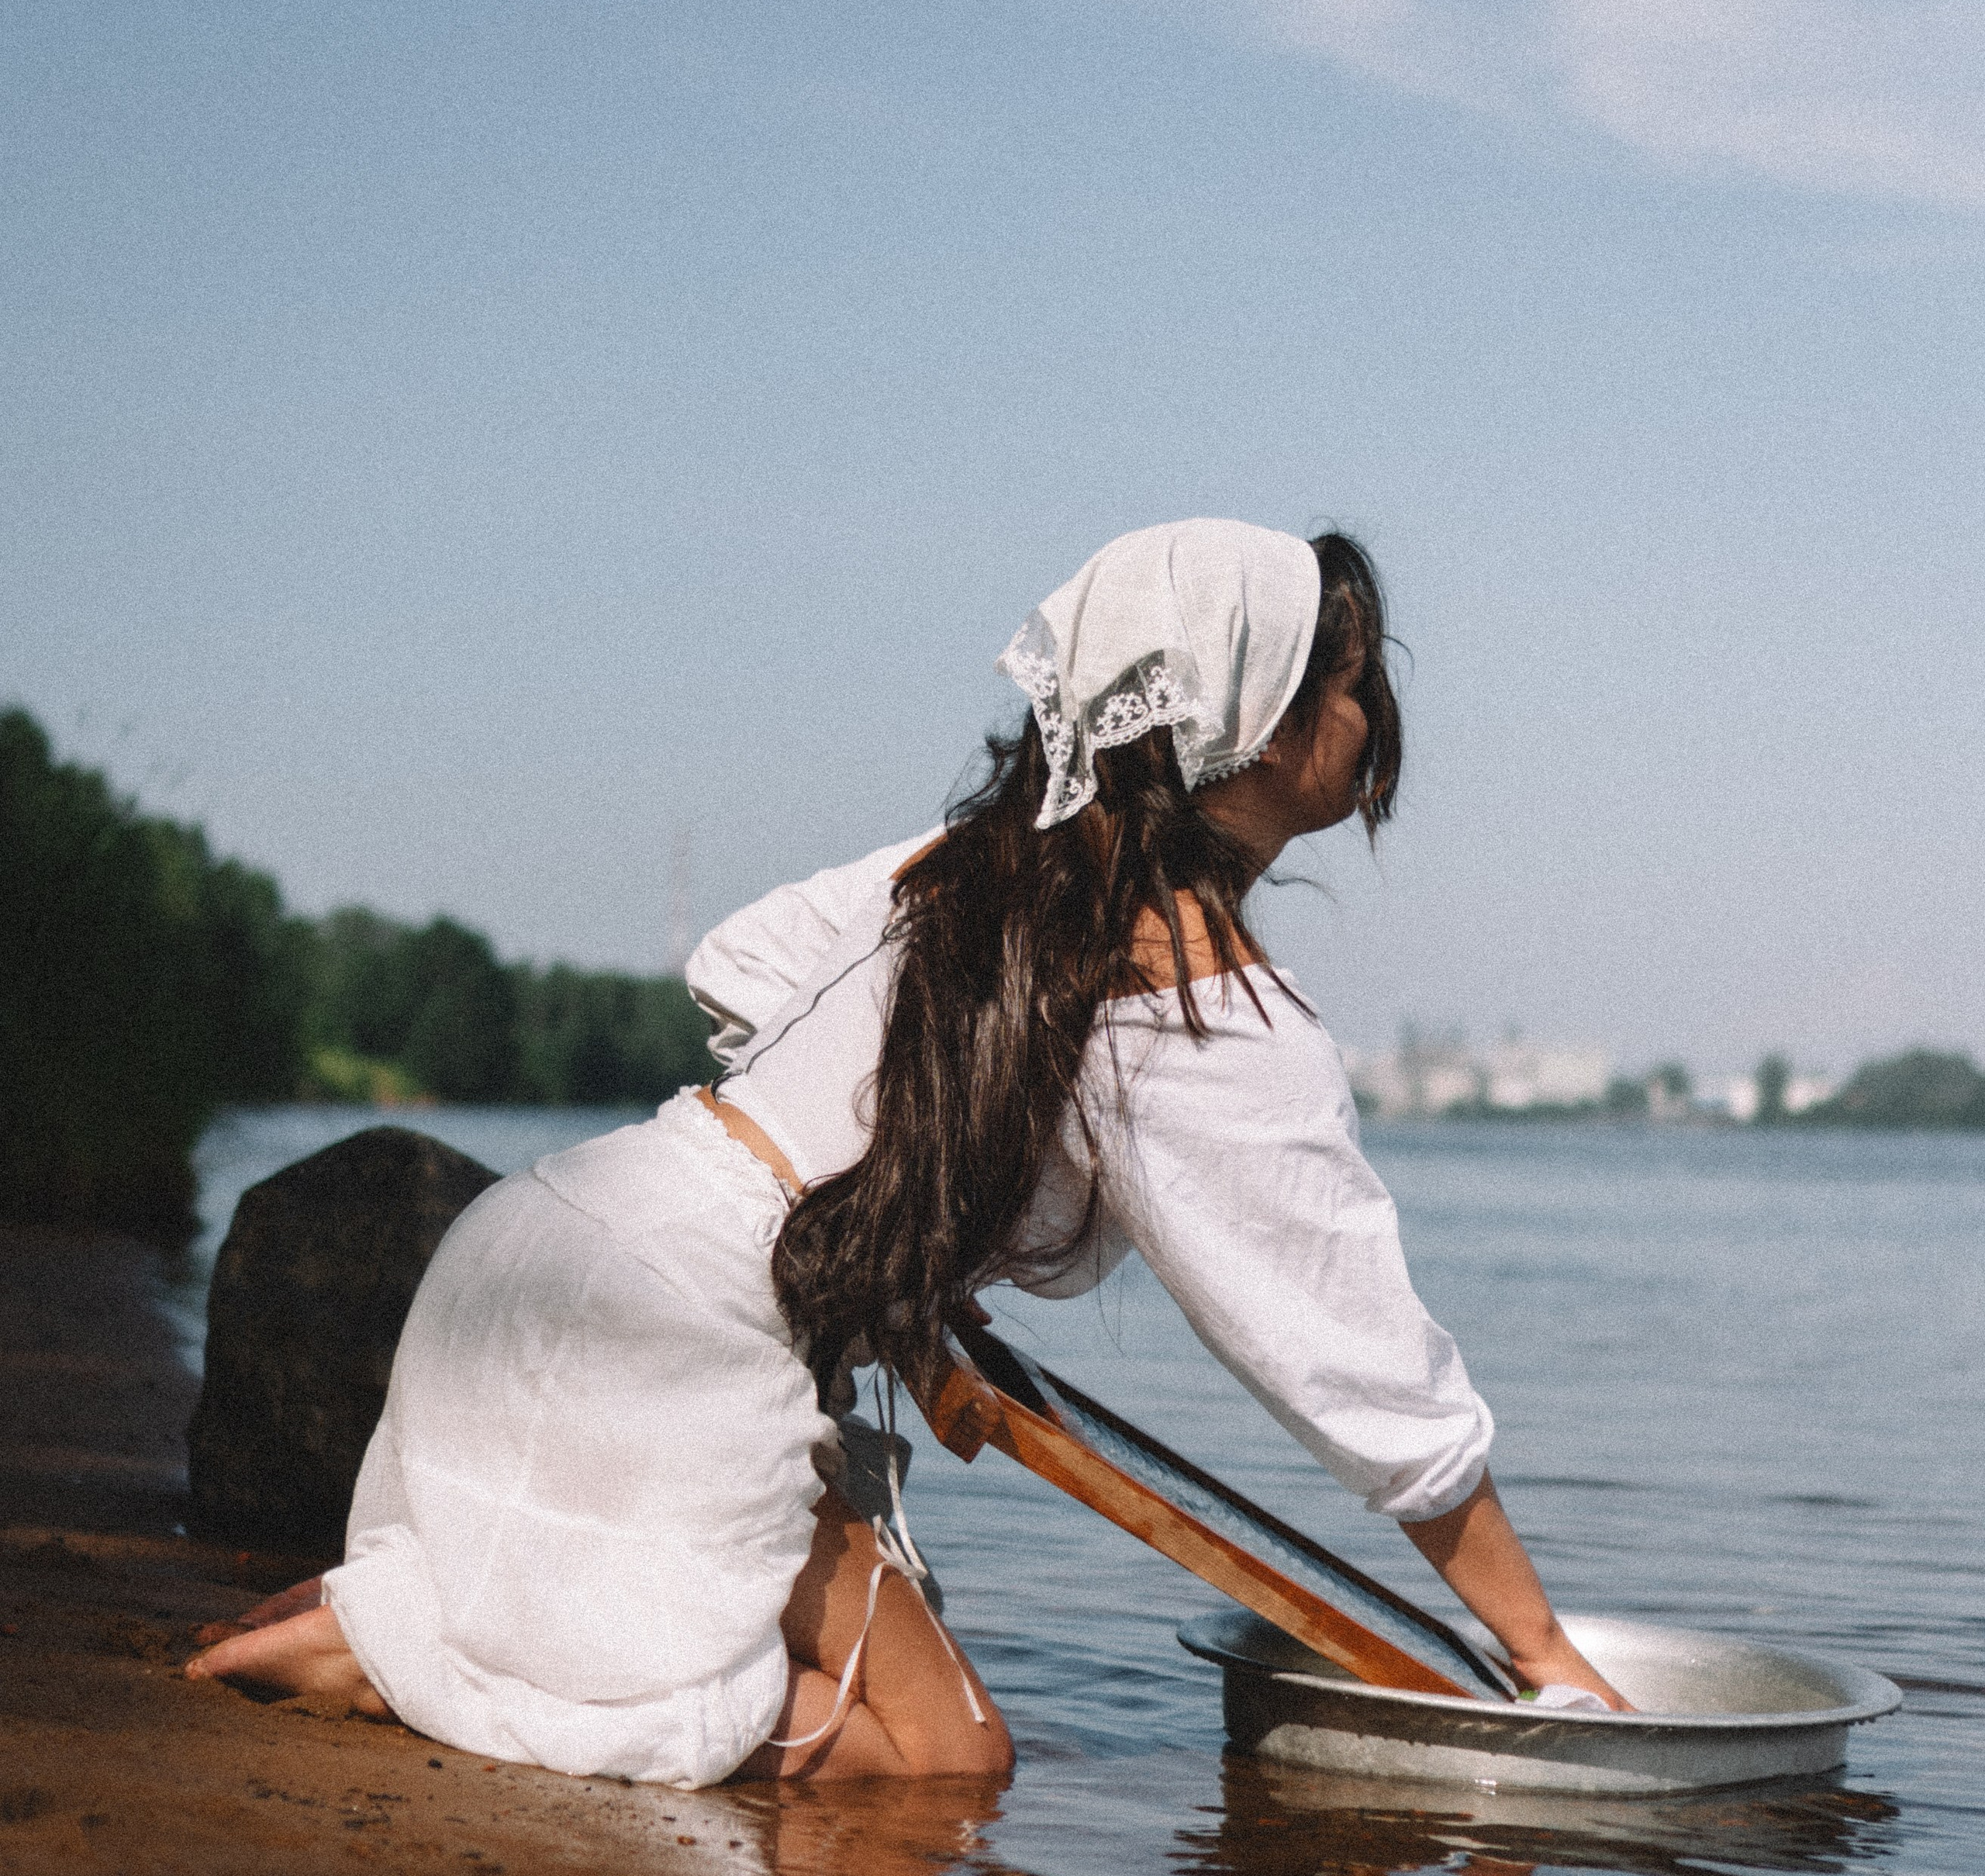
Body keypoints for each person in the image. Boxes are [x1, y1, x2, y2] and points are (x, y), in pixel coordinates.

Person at [189, 519, 1624, 1775]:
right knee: (944, 1764)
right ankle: (399, 1662)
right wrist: (1544, 1654)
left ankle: (435, 1628)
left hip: (542, 1240)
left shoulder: (981, 869)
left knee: (826, 1679)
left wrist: (903, 1215)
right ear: (1263, 717)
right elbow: (1361, 1372)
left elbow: (740, 966)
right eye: (1350, 678)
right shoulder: (1206, 1006)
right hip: (675, 1340)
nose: (1372, 715)